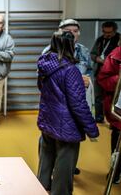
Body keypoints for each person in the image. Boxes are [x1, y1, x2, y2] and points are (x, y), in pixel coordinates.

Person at [37, 31, 99, 195]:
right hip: (66, 127)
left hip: (47, 119)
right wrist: (92, 129)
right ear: (70, 46)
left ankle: (39, 189)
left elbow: (41, 88)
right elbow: (78, 105)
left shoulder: (44, 65)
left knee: (45, 161)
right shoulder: (71, 70)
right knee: (64, 170)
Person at [42, 18, 93, 175]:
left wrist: (87, 79)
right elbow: (42, 78)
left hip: (78, 100)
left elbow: (89, 70)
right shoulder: (48, 51)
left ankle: (65, 167)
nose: (73, 34)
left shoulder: (83, 51)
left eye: (75, 31)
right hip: (58, 104)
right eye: (68, 31)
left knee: (67, 147)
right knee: (54, 144)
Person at [97, 41, 121, 184]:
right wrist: (119, 79)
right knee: (118, 142)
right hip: (118, 106)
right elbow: (103, 79)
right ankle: (115, 172)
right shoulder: (115, 56)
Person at [91, 21, 120, 123]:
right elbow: (93, 54)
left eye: (109, 32)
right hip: (99, 72)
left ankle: (114, 118)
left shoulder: (119, 40)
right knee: (98, 97)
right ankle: (99, 117)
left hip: (113, 74)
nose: (107, 35)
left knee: (113, 97)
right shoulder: (100, 40)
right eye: (105, 32)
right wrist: (98, 59)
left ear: (115, 31)